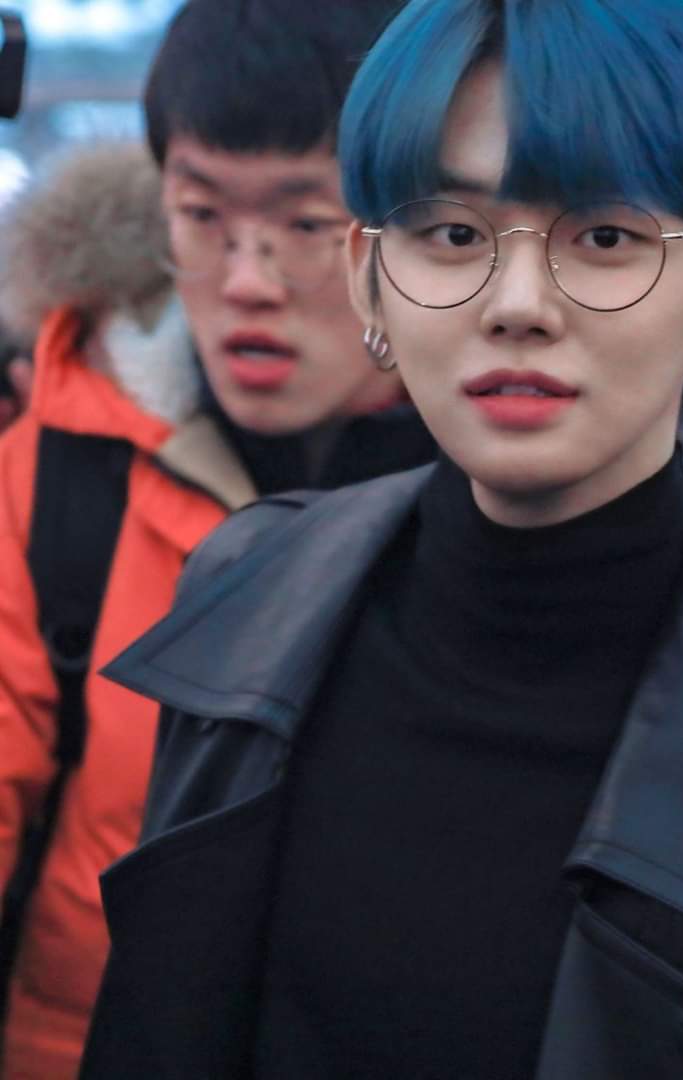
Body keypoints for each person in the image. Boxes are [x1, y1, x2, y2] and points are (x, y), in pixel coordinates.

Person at [84, 2, 683, 1076]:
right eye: (454, 234)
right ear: (369, 276)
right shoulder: (247, 600)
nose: (518, 304)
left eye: (604, 237)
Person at [0, 2, 431, 1074]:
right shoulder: (52, 472)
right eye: (202, 214)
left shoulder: (543, 500)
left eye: (308, 224)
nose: (247, 278)